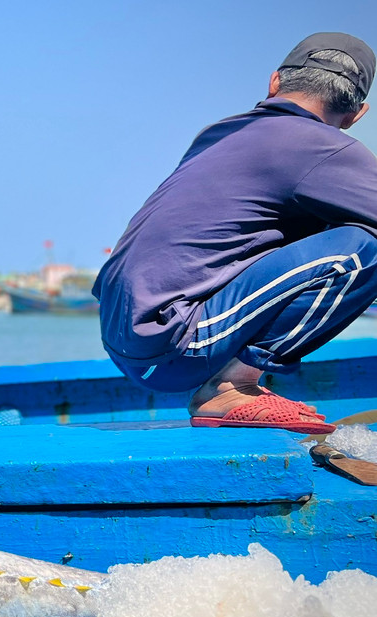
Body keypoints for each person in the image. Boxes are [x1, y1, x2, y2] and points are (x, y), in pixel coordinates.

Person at [94, 32, 377, 434]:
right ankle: (231, 387)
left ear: (275, 82)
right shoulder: (326, 148)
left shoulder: (220, 133)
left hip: (127, 344)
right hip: (175, 346)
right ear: (355, 115)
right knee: (365, 248)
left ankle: (229, 379)